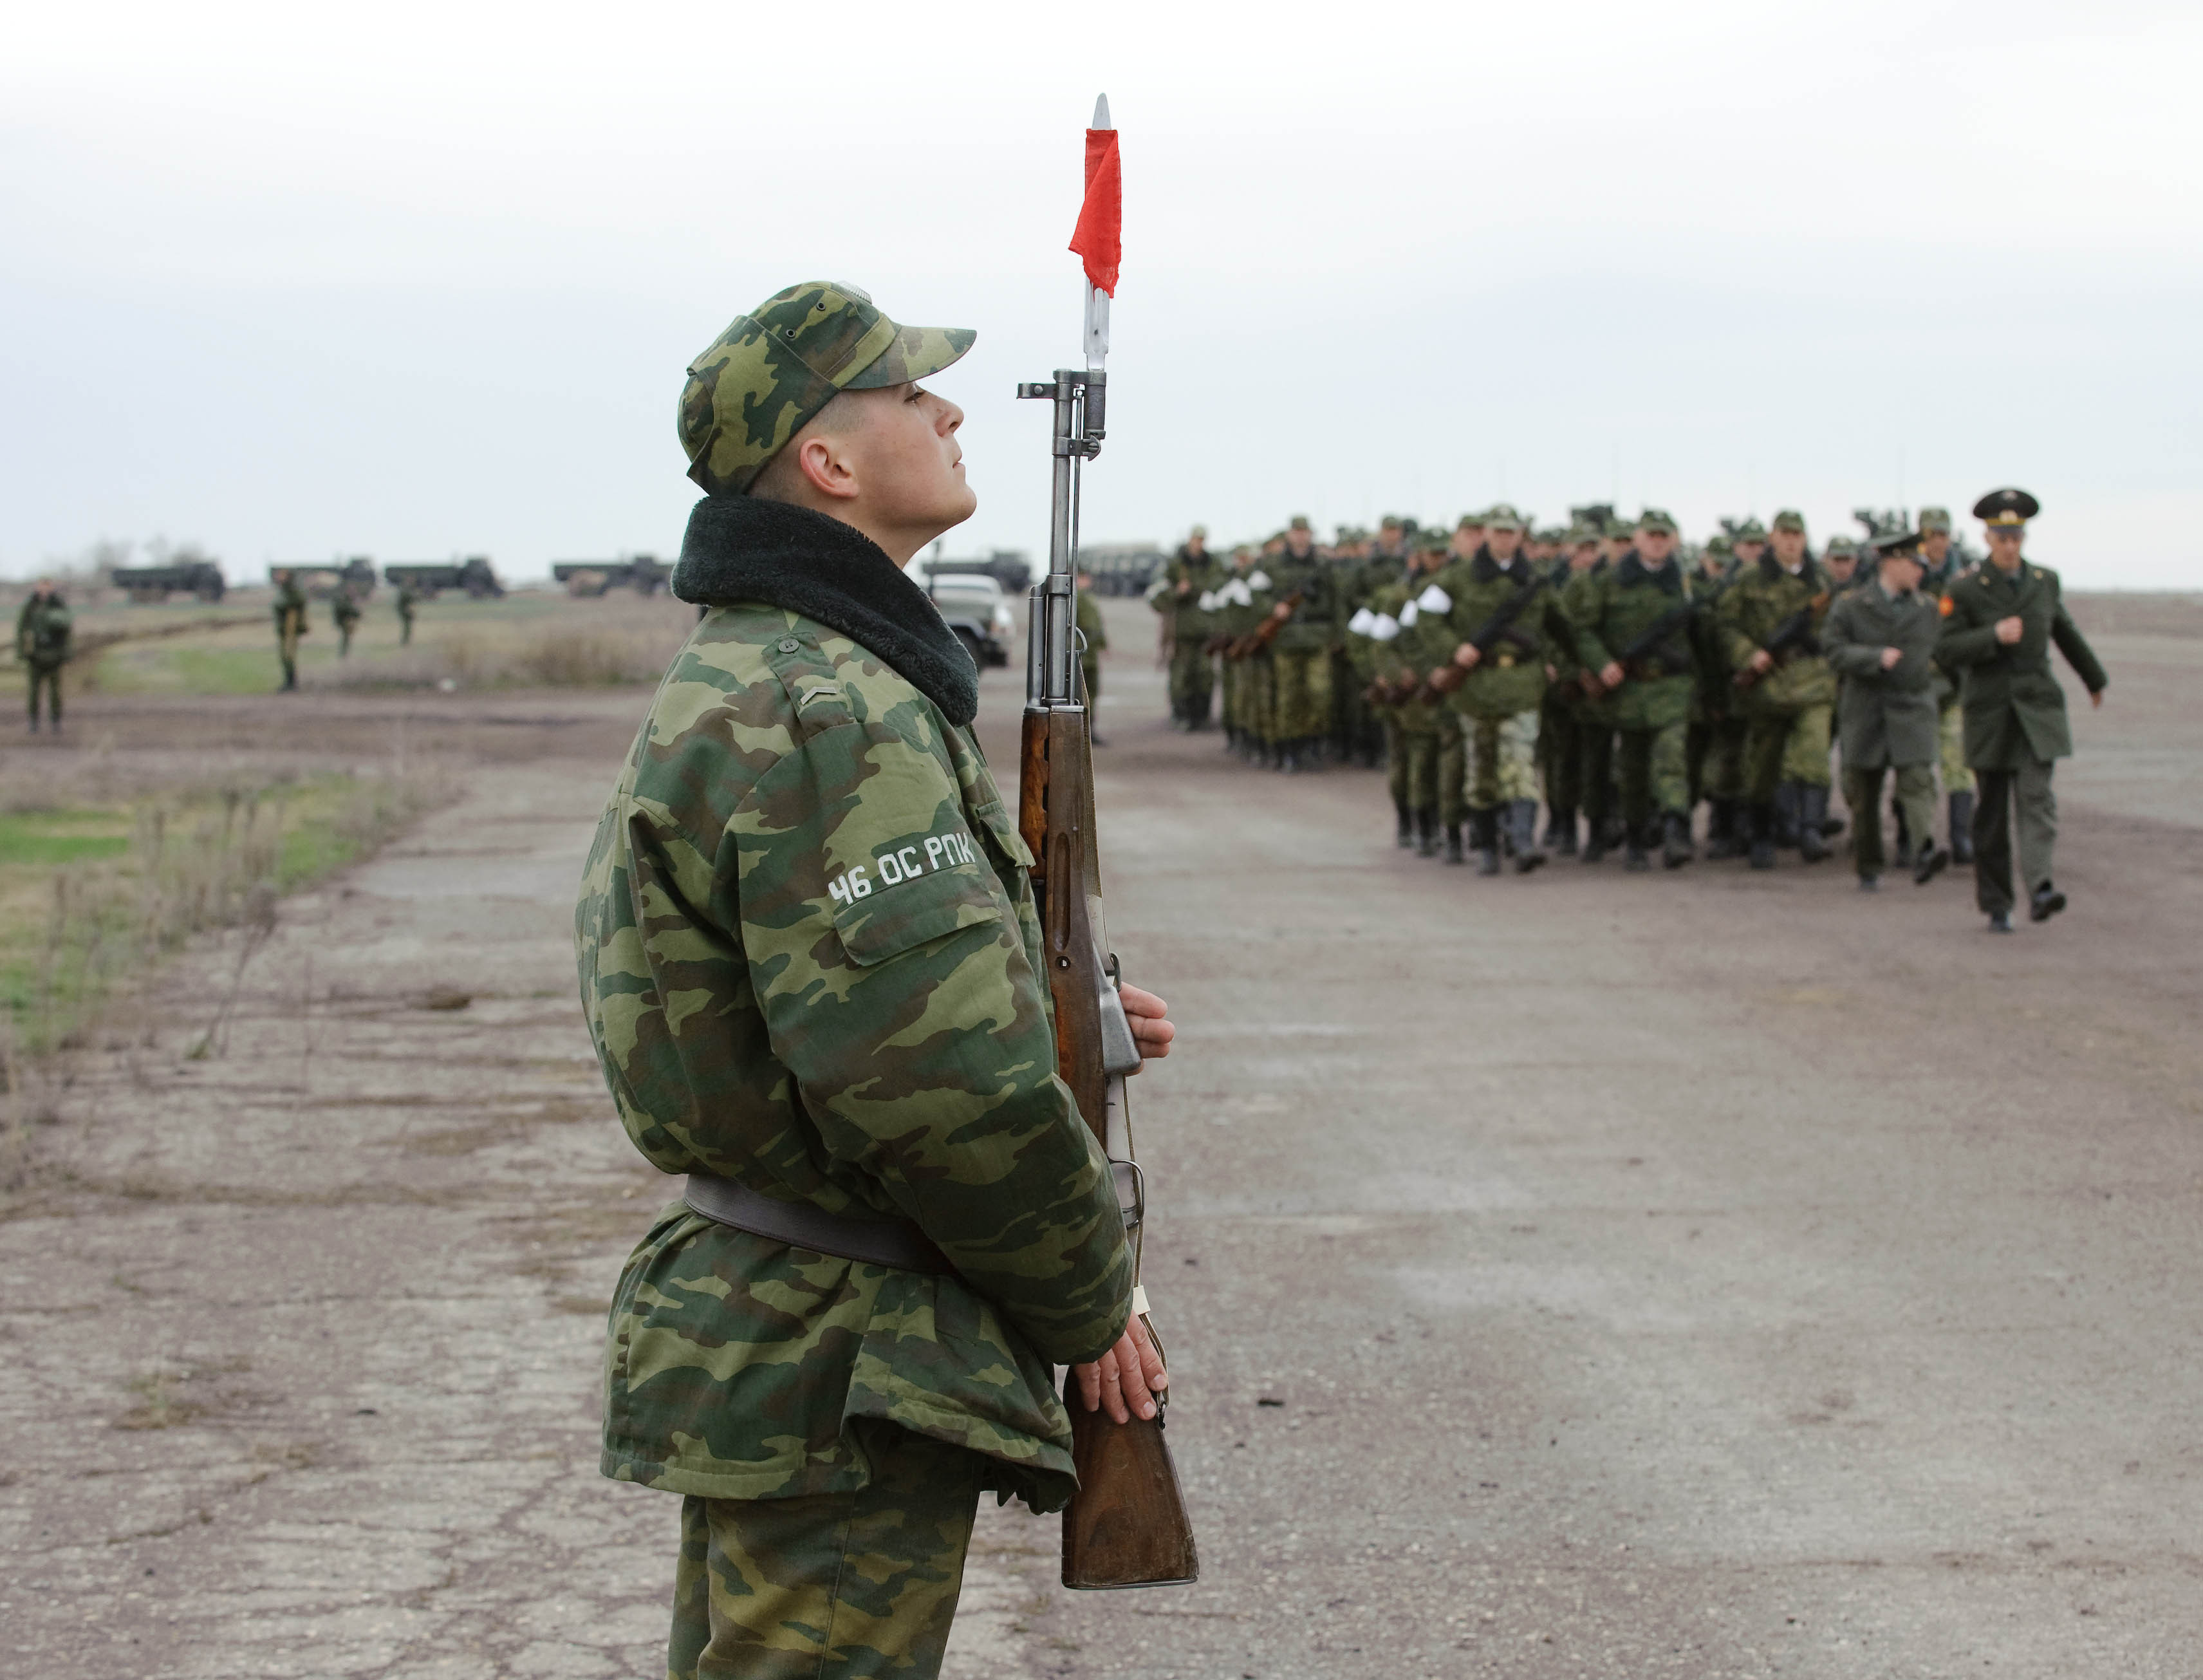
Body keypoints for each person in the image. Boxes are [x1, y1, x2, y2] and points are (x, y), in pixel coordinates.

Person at [574, 281, 1178, 1680]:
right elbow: (935, 1083)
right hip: (839, 1346)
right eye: (910, 394)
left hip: (790, 1326)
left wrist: (1048, 1003)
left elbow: (839, 1006)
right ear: (825, 463)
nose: (952, 410)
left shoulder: (788, 671)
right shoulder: (831, 704)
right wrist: (1092, 1293)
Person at [1935, 487, 2108, 932]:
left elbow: (2063, 631)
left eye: (2015, 536)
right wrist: (1991, 635)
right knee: (1991, 813)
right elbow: (1945, 649)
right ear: (1987, 538)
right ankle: (1996, 902)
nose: (2009, 544)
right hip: (1990, 712)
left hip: (2036, 708)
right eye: (2001, 536)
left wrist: (2094, 679)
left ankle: (2040, 888)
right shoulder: (1965, 589)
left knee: (2036, 800)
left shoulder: (2043, 582)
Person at [1565, 509, 1699, 869]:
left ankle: (1675, 830)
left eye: (1663, 536)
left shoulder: (1686, 585)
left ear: (1674, 541)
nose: (1657, 542)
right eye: (1650, 535)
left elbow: (1704, 637)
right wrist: (1602, 664)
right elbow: (1585, 631)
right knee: (1632, 769)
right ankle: (1636, 839)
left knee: (1672, 758)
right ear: (1638, 540)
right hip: (1628, 689)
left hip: (1671, 686)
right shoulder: (1608, 582)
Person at [1424, 503, 1552, 873]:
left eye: (1511, 532)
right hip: (1476, 686)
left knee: (1520, 763)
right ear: (1487, 535)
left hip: (1520, 686)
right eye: (1497, 532)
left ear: (1520, 537)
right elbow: (1426, 618)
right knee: (1481, 770)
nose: (1504, 539)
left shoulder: (1536, 580)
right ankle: (1487, 847)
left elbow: (1561, 626)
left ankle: (1524, 840)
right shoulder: (1457, 578)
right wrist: (1453, 649)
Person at [1821, 530, 1948, 890]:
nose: (1920, 572)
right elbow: (1832, 650)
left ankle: (1923, 849)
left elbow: (1947, 657)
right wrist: (1872, 658)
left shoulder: (1927, 610)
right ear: (1890, 563)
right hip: (1866, 708)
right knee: (1864, 791)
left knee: (1918, 781)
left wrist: (1935, 691)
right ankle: (1869, 864)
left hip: (1913, 707)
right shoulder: (1851, 605)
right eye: (1913, 564)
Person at [1718, 509, 1837, 868]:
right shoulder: (1750, 579)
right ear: (1773, 537)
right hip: (1767, 685)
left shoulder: (1822, 581)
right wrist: (1747, 654)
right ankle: (1761, 834)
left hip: (1812, 680)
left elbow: (1840, 625)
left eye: (1797, 535)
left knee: (1815, 754)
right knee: (1763, 766)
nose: (1791, 542)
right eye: (1784, 534)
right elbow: (1725, 624)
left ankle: (1812, 830)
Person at [1539, 524, 1604, 855]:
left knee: (1594, 757)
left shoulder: (1603, 584)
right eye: (1581, 549)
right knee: (1561, 757)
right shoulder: (1551, 584)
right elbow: (1547, 634)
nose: (1587, 556)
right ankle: (1561, 821)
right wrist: (1562, 671)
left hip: (1595, 684)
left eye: (1593, 549)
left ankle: (1595, 825)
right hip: (1562, 684)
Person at [1917, 506, 1975, 864]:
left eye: (1943, 534)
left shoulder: (1966, 573)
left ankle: (1960, 836)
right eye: (1932, 534)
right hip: (1918, 683)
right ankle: (1913, 835)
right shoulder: (1908, 571)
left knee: (1958, 758)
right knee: (1916, 763)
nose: (1939, 541)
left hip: (1953, 682)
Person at [1263, 515, 1336, 771]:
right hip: (1286, 637)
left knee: (1319, 693)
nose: (1301, 536)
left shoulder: (1324, 565)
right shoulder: (1272, 565)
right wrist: (1275, 608)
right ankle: (1290, 748)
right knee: (1288, 695)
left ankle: (1313, 743)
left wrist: (1337, 635)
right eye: (1297, 532)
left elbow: (1337, 601)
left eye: (1305, 532)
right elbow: (1256, 595)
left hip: (1317, 635)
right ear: (1289, 535)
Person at [1156, 525, 1223, 729]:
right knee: (1181, 676)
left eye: (1202, 539)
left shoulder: (1213, 564)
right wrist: (1179, 592)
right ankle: (1181, 715)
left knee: (1205, 675)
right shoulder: (1176, 565)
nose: (1199, 543)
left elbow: (1219, 587)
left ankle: (1202, 716)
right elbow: (1159, 597)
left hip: (1206, 630)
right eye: (1196, 539)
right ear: (1190, 539)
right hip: (1181, 632)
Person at [17, 578, 72, 733]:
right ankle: (33, 721)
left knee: (55, 692)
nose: (44, 590)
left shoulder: (58, 604)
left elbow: (67, 631)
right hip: (35, 656)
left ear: (52, 588)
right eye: (42, 587)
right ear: (37, 588)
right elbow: (21, 629)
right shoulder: (30, 606)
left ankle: (56, 721)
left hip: (55, 655)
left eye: (47, 587)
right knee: (34, 692)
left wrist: (67, 654)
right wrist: (22, 653)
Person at [1075, 565, 1108, 743]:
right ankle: (1084, 733)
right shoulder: (1078, 598)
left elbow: (1096, 626)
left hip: (1089, 655)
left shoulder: (1086, 598)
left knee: (1091, 694)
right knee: (1083, 695)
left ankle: (1088, 731)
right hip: (1082, 656)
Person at [271, 568, 310, 692]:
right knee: (285, 655)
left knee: (288, 655)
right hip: (285, 629)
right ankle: (289, 682)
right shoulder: (285, 590)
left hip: (290, 629)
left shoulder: (292, 590)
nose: (278, 578)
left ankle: (291, 683)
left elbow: (299, 601)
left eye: (281, 575)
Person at [333, 584, 362, 657]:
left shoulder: (348, 600)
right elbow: (348, 610)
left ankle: (345, 654)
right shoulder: (344, 601)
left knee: (347, 639)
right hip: (345, 622)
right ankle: (344, 654)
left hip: (347, 622)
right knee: (346, 639)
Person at [395, 581, 418, 645]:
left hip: (405, 610)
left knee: (408, 626)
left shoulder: (405, 590)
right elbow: (409, 597)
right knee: (407, 626)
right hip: (404, 611)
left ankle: (406, 641)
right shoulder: (405, 591)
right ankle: (405, 641)